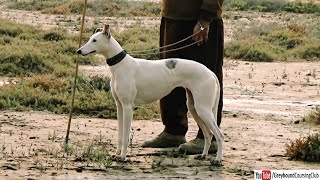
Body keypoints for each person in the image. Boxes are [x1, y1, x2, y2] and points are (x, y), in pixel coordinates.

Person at [142, 0, 224, 155]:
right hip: (173, 16)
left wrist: (205, 18)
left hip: (199, 20)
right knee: (168, 74)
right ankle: (173, 132)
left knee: (204, 78)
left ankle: (208, 137)